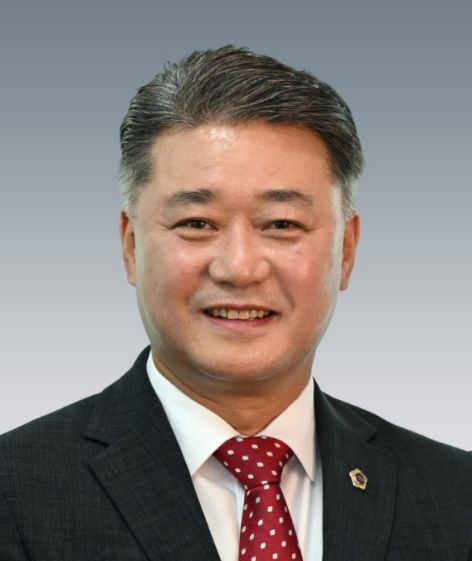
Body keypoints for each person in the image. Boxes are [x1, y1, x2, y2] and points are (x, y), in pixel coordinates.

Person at [0, 46, 470, 561]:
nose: (240, 268)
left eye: (282, 224)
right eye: (197, 223)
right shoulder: (16, 490)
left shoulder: (454, 494)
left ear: (347, 250)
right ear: (131, 245)